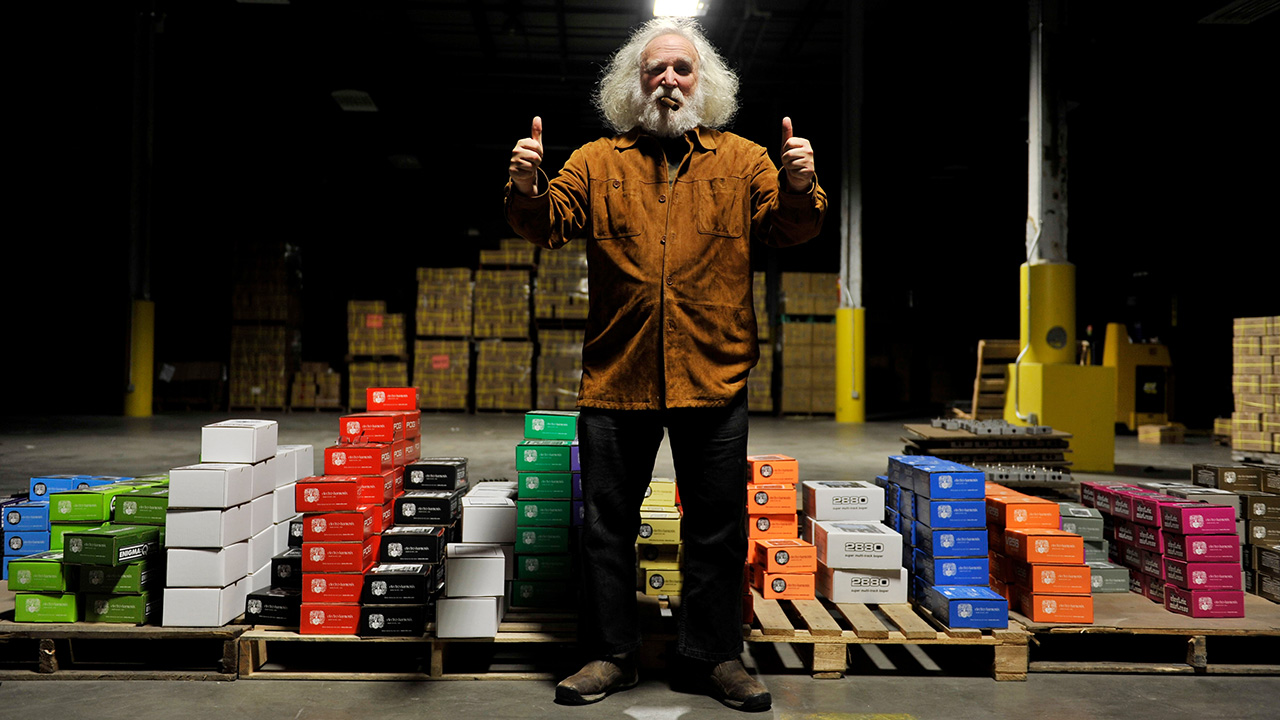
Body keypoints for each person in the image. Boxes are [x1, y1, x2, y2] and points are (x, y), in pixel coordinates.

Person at [505, 16, 826, 712]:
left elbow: (790, 228)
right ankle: (610, 655)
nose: (670, 80)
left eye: (682, 68)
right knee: (605, 526)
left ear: (703, 81)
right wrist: (528, 186)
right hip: (617, 375)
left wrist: (800, 184)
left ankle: (711, 657)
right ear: (635, 82)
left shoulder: (742, 161)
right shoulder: (596, 162)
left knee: (716, 526)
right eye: (656, 69)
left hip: (713, 372)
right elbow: (548, 223)